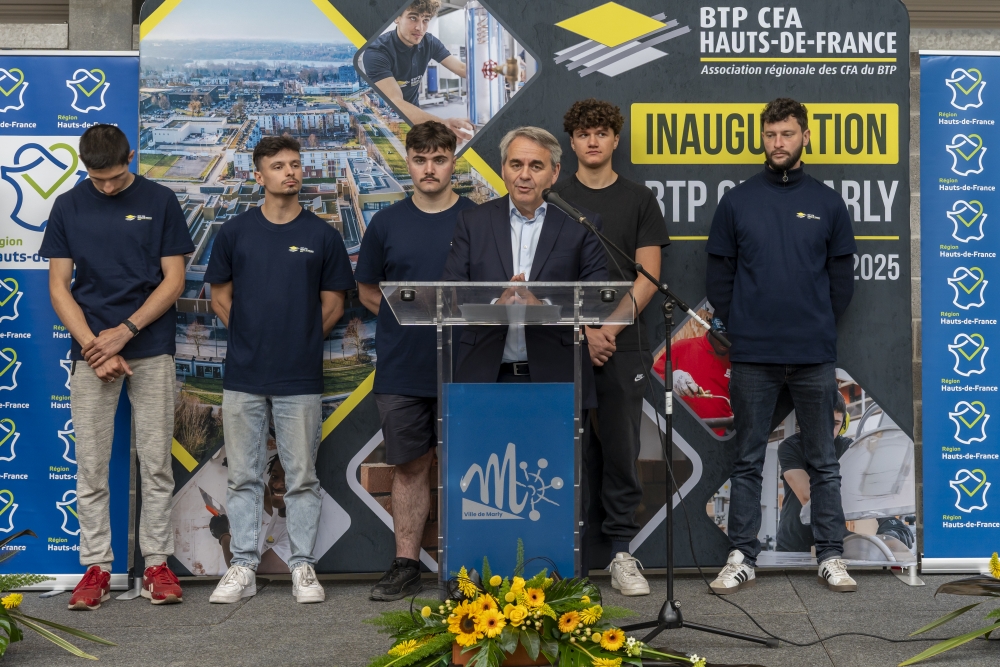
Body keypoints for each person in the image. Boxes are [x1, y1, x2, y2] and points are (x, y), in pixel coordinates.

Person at [705, 98, 858, 594]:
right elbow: (719, 276)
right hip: (753, 356)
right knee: (748, 459)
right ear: (763, 138)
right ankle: (742, 556)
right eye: (771, 134)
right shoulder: (738, 201)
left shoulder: (828, 203)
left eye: (787, 134)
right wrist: (743, 326)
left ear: (805, 137)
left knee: (824, 461)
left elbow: (841, 282)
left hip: (813, 355)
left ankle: (831, 555)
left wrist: (813, 324)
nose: (778, 143)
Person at [40, 124, 193, 609]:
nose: (106, 187)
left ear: (131, 157)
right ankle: (96, 568)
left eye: (114, 177)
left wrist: (124, 332)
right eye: (96, 178)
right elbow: (59, 286)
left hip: (151, 346)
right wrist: (94, 346)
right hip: (92, 353)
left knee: (156, 462)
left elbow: (174, 280)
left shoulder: (161, 200)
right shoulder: (68, 205)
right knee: (91, 465)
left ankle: (157, 565)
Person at [205, 136, 356, 604]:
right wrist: (249, 337)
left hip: (299, 377)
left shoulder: (322, 236)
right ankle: (243, 566)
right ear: (259, 175)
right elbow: (219, 297)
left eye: (295, 164)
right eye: (278, 166)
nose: (290, 172)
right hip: (243, 375)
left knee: (301, 475)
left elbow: (334, 305)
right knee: (243, 476)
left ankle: (303, 565)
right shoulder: (234, 233)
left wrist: (301, 341)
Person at [552, 99, 670, 595]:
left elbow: (648, 276)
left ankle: (621, 552)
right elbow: (546, 276)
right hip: (564, 340)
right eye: (584, 134)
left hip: (623, 345)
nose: (593, 141)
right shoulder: (555, 197)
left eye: (601, 132)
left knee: (622, 448)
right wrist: (584, 329)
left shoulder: (639, 199)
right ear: (571, 142)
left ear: (616, 139)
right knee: (570, 451)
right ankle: (570, 559)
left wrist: (608, 330)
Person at [354, 121, 475, 600]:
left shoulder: (479, 219)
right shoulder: (385, 223)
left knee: (468, 469)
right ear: (408, 161)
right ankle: (406, 566)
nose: (430, 169)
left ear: (452, 162)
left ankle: (466, 569)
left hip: (467, 369)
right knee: (408, 468)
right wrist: (406, 322)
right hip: (403, 370)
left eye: (439, 159)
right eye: (421, 159)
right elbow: (368, 291)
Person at [441, 126, 608, 396]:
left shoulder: (581, 224)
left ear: (554, 172)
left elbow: (596, 299)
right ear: (503, 169)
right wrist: (497, 306)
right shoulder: (473, 222)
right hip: (484, 377)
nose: (524, 175)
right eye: (516, 164)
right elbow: (452, 292)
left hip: (558, 378)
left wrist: (542, 308)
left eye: (536, 166)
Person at [209, 450, 344, 573]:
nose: (277, 485)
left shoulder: (296, 535)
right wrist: (243, 472)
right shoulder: (283, 509)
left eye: (289, 480)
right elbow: (265, 496)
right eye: (274, 476)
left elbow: (244, 573)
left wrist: (223, 534)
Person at [361, 0, 472, 139]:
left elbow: (461, 68)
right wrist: (442, 124)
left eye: (426, 20)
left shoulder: (429, 42)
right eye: (413, 18)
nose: (420, 28)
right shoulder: (377, 52)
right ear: (396, 17)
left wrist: (493, 74)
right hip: (386, 117)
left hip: (415, 112)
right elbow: (395, 101)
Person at [776, 392, 852, 553]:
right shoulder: (790, 447)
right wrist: (840, 533)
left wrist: (888, 523)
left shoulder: (848, 448)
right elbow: (807, 496)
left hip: (831, 541)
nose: (828, 430)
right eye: (823, 422)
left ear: (844, 423)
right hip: (793, 545)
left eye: (836, 423)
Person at [666, 328, 733, 435]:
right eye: (722, 336)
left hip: (721, 436)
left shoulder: (737, 359)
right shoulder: (682, 347)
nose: (726, 341)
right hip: (680, 432)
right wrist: (670, 380)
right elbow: (652, 382)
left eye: (731, 337)